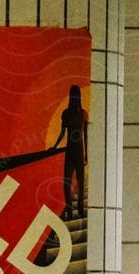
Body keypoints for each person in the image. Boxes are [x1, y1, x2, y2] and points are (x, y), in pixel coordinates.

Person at [51, 84, 87, 220]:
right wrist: (85, 154)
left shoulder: (73, 113)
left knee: (71, 182)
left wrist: (55, 147)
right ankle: (76, 211)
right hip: (76, 150)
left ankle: (73, 211)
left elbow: (64, 134)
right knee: (75, 182)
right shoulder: (77, 113)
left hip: (72, 150)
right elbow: (84, 136)